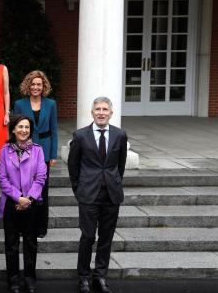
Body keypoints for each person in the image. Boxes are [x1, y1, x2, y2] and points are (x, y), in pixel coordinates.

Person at [68, 97, 128, 293]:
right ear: (92, 112)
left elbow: (121, 165)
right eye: (97, 109)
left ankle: (100, 276)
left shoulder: (120, 135)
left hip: (111, 194)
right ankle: (84, 277)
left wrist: (114, 182)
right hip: (88, 194)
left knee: (106, 237)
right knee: (87, 236)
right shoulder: (80, 135)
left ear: (111, 112)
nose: (101, 113)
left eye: (105, 109)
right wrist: (78, 189)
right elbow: (73, 166)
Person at [0, 115, 47, 293]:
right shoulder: (5, 150)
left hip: (32, 203)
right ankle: (13, 279)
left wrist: (28, 199)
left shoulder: (38, 150)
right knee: (11, 244)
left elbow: (41, 177)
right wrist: (18, 198)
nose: (24, 130)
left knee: (30, 243)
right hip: (12, 203)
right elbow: (2, 179)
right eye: (20, 127)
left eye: (27, 127)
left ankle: (29, 278)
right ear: (13, 129)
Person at [13, 70, 58, 238]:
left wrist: (53, 154)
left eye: (39, 84)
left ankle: (41, 228)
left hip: (44, 152)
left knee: (41, 191)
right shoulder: (19, 104)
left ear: (43, 86)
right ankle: (22, 227)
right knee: (23, 189)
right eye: (33, 84)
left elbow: (54, 129)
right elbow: (16, 129)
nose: (36, 87)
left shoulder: (51, 104)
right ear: (28, 86)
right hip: (24, 150)